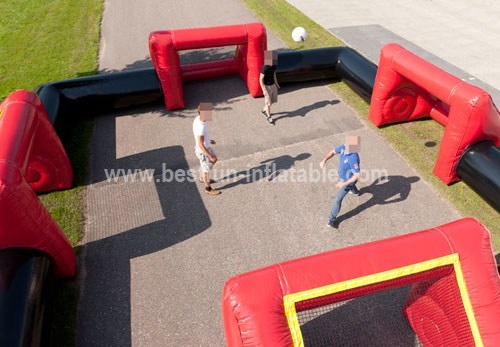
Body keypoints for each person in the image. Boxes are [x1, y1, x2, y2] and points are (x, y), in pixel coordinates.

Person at [320, 135, 361, 228]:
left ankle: (331, 219)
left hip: (348, 181)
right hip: (345, 178)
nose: (345, 147)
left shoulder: (353, 157)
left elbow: (357, 175)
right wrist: (324, 160)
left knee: (338, 199)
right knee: (352, 189)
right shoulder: (343, 147)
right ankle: (355, 192)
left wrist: (344, 184)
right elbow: (332, 152)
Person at [193, 102, 221, 195]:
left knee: (212, 161)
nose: (211, 114)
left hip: (206, 146)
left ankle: (203, 176)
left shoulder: (198, 119)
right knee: (206, 169)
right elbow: (200, 144)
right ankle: (208, 188)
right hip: (203, 150)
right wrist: (210, 155)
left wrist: (209, 140)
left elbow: (202, 139)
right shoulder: (200, 126)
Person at [259, 50, 280, 125]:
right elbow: (260, 79)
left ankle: (263, 110)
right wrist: (264, 90)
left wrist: (276, 84)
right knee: (268, 103)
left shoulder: (274, 65)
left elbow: (273, 73)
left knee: (271, 101)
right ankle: (269, 117)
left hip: (273, 85)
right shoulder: (265, 67)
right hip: (267, 87)